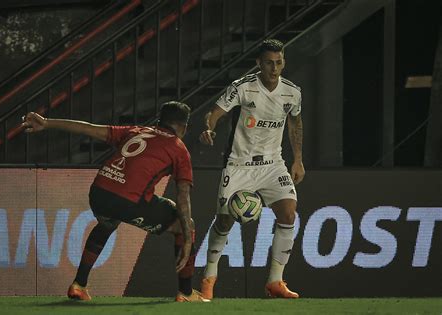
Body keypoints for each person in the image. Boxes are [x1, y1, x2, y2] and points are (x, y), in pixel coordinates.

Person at [22, 101, 209, 302]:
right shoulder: (179, 149)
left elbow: (90, 129)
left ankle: (79, 285)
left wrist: (48, 123)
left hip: (98, 193)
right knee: (185, 224)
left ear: (159, 121)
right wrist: (188, 239)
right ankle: (186, 292)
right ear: (184, 128)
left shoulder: (136, 130)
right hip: (127, 201)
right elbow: (183, 195)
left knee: (108, 222)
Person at [198, 39, 305, 299]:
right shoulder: (242, 88)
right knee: (224, 222)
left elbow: (295, 124)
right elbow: (216, 111)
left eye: (279, 62)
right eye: (269, 62)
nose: (274, 68)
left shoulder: (292, 91)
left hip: (273, 164)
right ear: (259, 63)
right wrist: (209, 128)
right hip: (239, 165)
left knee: (289, 214)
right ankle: (209, 278)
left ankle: (275, 281)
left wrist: (298, 159)